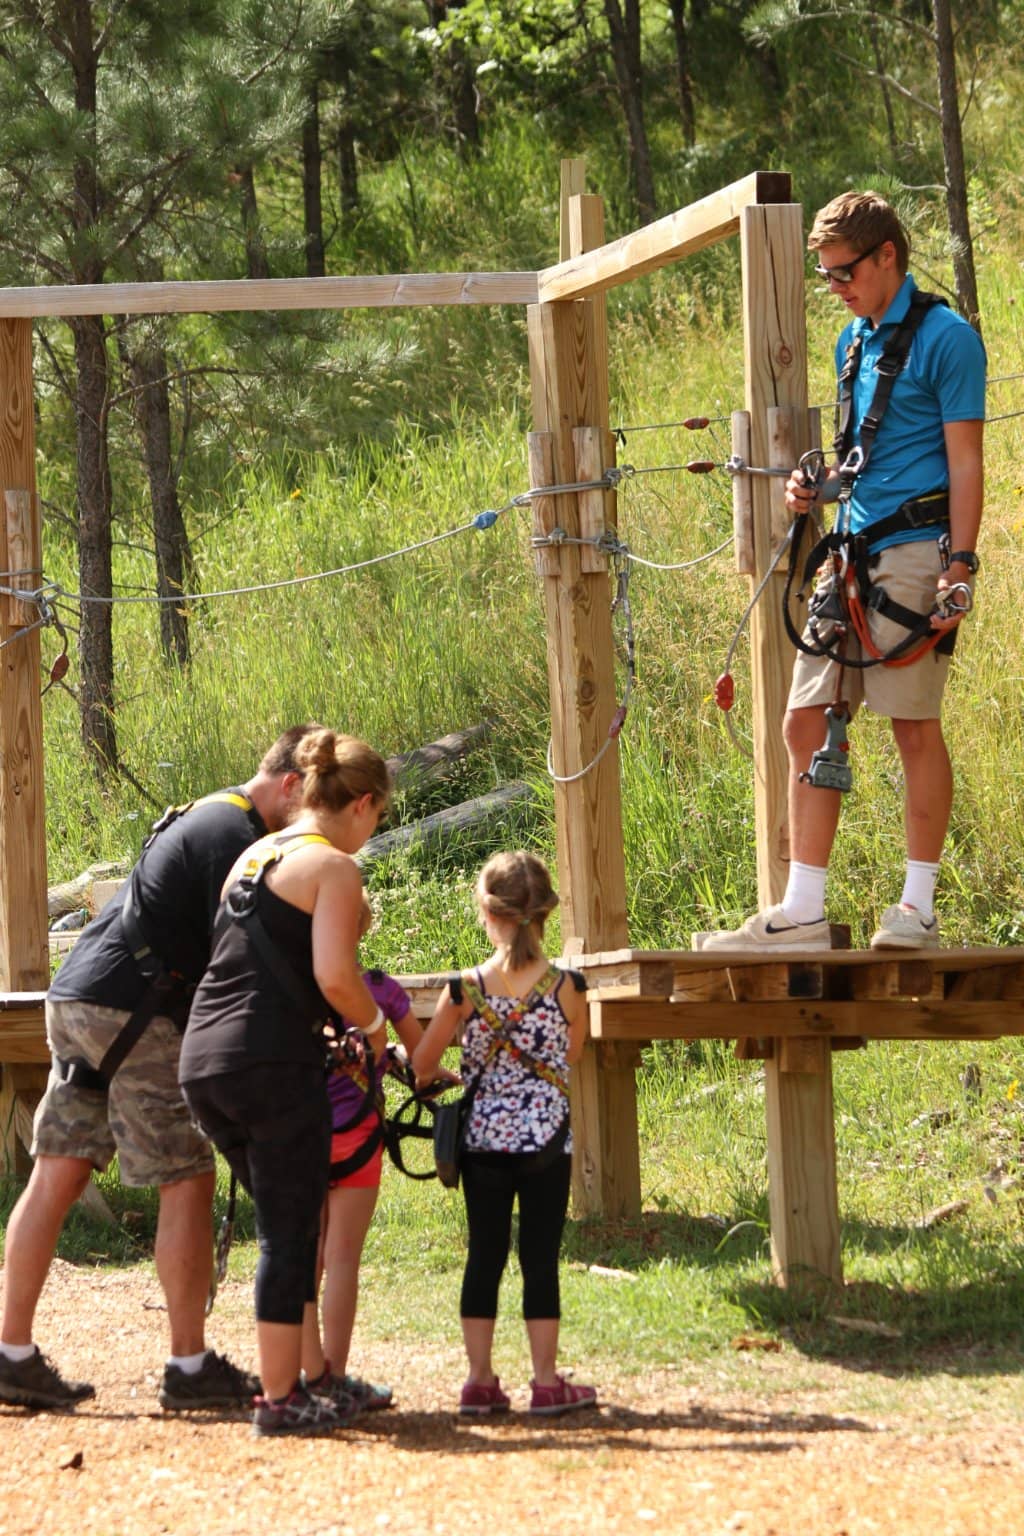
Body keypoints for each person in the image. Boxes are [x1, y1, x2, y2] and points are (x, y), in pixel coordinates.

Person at [0, 725, 320, 1414]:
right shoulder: (238, 840)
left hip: (81, 997)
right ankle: (188, 1365)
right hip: (135, 1011)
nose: (312, 824)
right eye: (314, 801)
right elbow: (243, 958)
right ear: (290, 784)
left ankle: (10, 1352)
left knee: (58, 1171)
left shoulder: (210, 815)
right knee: (186, 1176)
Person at [704, 190, 985, 954]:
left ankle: (917, 909)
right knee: (805, 720)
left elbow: (965, 461)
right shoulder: (852, 344)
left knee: (912, 725)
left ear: (888, 255)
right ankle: (803, 910)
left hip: (917, 551)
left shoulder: (949, 340)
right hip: (850, 555)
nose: (835, 288)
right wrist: (816, 488)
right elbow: (861, 458)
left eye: (844, 273)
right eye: (825, 276)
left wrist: (960, 567)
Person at [179, 729, 391, 1437]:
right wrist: (374, 1030)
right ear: (362, 804)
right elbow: (336, 975)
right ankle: (280, 1398)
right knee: (288, 1232)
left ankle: (313, 1377)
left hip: (205, 1060)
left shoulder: (253, 855)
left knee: (291, 1221)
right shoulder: (333, 868)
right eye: (378, 817)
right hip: (271, 1064)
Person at [412, 850, 596, 1418]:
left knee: (484, 1255)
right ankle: (546, 1382)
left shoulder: (463, 990)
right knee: (540, 1259)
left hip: (483, 1145)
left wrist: (456, 1073)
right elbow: (571, 1055)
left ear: (488, 915)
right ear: (545, 914)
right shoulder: (570, 987)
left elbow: (421, 1065)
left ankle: (479, 1380)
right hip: (547, 1142)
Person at [312, 896, 427, 1414]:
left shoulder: (300, 993)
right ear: (363, 929)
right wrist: (415, 1067)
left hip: (304, 1137)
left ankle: (302, 1372)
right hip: (358, 1139)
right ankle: (334, 1374)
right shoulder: (381, 991)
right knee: (342, 1260)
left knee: (306, 1256)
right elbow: (422, 1060)